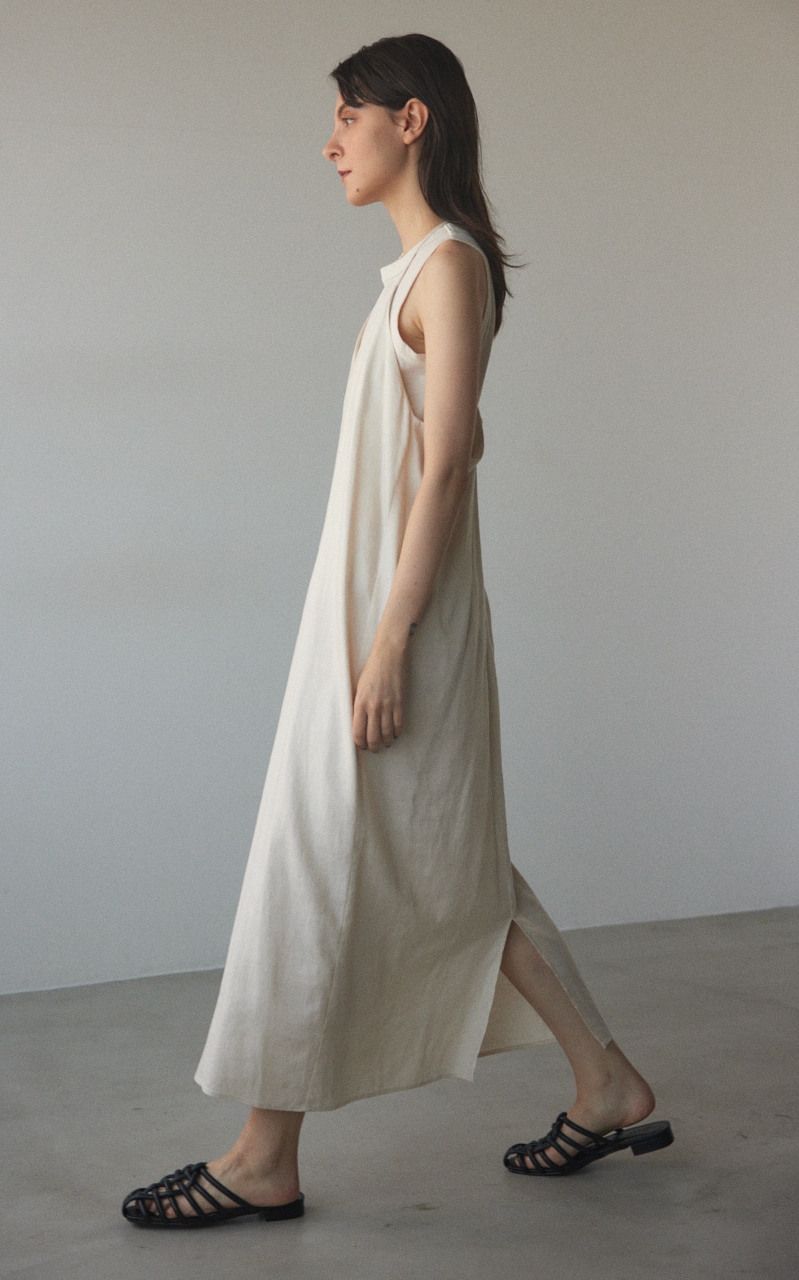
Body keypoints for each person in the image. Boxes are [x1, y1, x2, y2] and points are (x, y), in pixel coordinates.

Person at [122, 33, 672, 1229]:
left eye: (346, 117)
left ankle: (264, 1155)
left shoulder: (449, 267)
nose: (329, 142)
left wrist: (388, 641)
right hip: (374, 616)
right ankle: (606, 1080)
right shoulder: (418, 273)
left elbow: (446, 470)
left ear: (409, 119)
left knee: (319, 856)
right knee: (449, 867)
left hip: (398, 627)